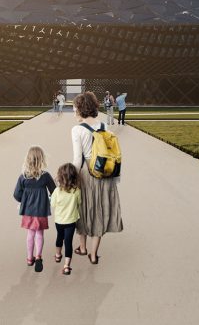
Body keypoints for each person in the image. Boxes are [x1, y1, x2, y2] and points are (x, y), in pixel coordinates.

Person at [70, 92, 122, 265]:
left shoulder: (77, 130)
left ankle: (82, 248)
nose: (73, 111)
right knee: (100, 210)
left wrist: (70, 178)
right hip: (104, 176)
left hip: (86, 175)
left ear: (80, 108)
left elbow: (77, 160)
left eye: (74, 108)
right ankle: (93, 254)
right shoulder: (103, 126)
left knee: (83, 210)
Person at [13, 146, 55, 272]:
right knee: (40, 233)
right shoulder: (45, 176)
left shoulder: (23, 177)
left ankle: (29, 258)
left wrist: (24, 200)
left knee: (30, 233)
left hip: (28, 211)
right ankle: (38, 257)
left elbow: (16, 194)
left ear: (28, 159)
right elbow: (54, 191)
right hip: (41, 210)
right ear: (41, 159)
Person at [50, 162, 81, 275]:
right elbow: (79, 203)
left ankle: (58, 255)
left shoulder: (57, 191)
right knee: (68, 242)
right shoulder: (76, 191)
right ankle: (67, 266)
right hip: (71, 221)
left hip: (59, 221)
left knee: (59, 237)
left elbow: (52, 204)